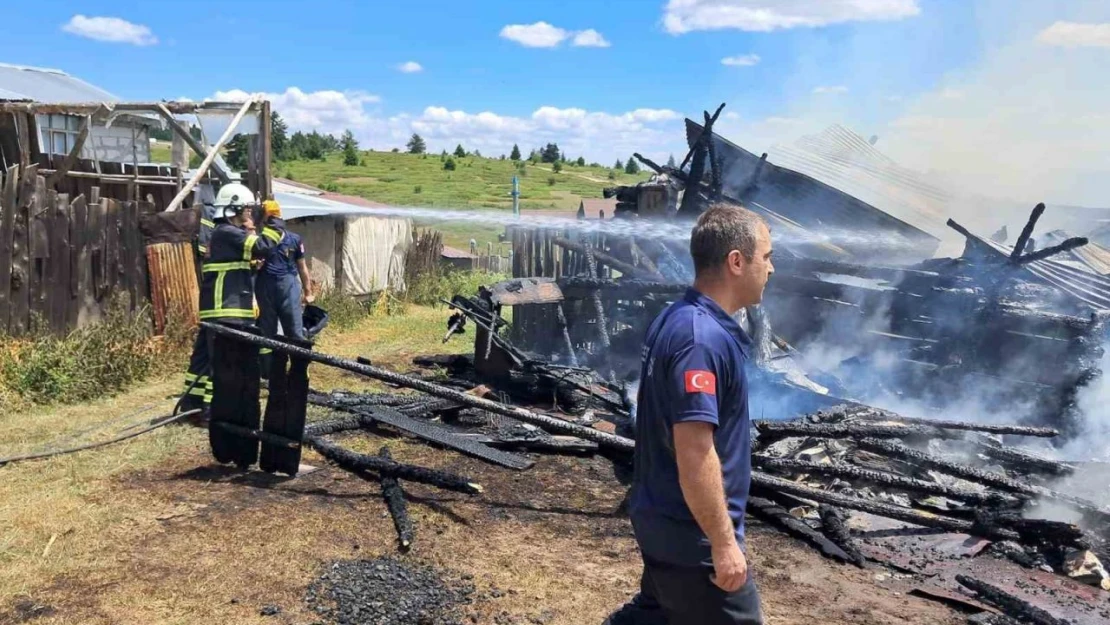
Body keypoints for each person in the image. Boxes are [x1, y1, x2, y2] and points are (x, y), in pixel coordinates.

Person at [607, 203, 774, 625]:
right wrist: (722, 543)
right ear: (737, 261)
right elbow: (695, 449)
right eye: (767, 257)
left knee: (657, 616)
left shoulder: (677, 319)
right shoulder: (701, 340)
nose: (771, 269)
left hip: (665, 519)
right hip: (692, 535)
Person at [180, 183, 285, 417]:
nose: (250, 212)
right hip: (225, 309)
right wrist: (275, 220)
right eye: (246, 208)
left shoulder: (223, 235)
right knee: (223, 362)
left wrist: (250, 266)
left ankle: (192, 404)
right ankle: (211, 410)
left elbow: (243, 259)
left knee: (203, 360)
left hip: (218, 307)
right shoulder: (227, 232)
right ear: (233, 207)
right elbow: (263, 246)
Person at [255, 200, 314, 371]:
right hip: (265, 288)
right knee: (267, 331)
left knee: (294, 329)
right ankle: (268, 372)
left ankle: (299, 369)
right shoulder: (260, 242)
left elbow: (302, 267)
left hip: (288, 288)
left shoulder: (294, 240)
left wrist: (308, 292)